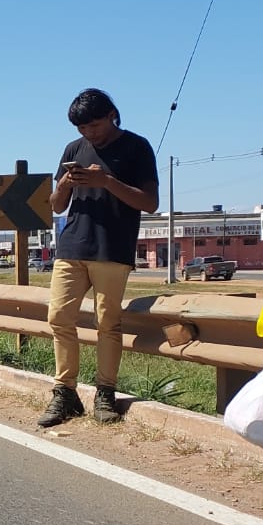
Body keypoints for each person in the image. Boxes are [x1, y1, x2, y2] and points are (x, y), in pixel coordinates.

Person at [40, 88, 160, 427]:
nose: (88, 133)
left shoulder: (137, 147)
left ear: (111, 115)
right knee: (58, 318)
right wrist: (65, 184)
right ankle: (65, 392)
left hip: (112, 248)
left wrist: (106, 181)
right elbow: (57, 205)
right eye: (81, 128)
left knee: (107, 322)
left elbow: (150, 203)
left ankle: (105, 392)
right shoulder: (73, 149)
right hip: (72, 246)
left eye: (93, 125)